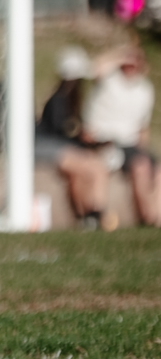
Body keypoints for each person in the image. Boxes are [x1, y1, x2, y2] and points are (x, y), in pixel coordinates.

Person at [78, 45, 160, 227]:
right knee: (137, 167)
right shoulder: (109, 80)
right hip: (104, 139)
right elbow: (94, 68)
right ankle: (101, 218)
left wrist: (143, 148)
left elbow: (142, 126)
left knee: (153, 169)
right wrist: (119, 55)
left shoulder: (144, 89)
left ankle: (153, 217)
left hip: (129, 144)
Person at [36, 47, 111, 228]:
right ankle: (97, 214)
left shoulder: (67, 99)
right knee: (97, 168)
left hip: (57, 147)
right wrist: (85, 139)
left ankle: (84, 218)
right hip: (47, 147)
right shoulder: (59, 100)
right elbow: (63, 131)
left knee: (78, 175)